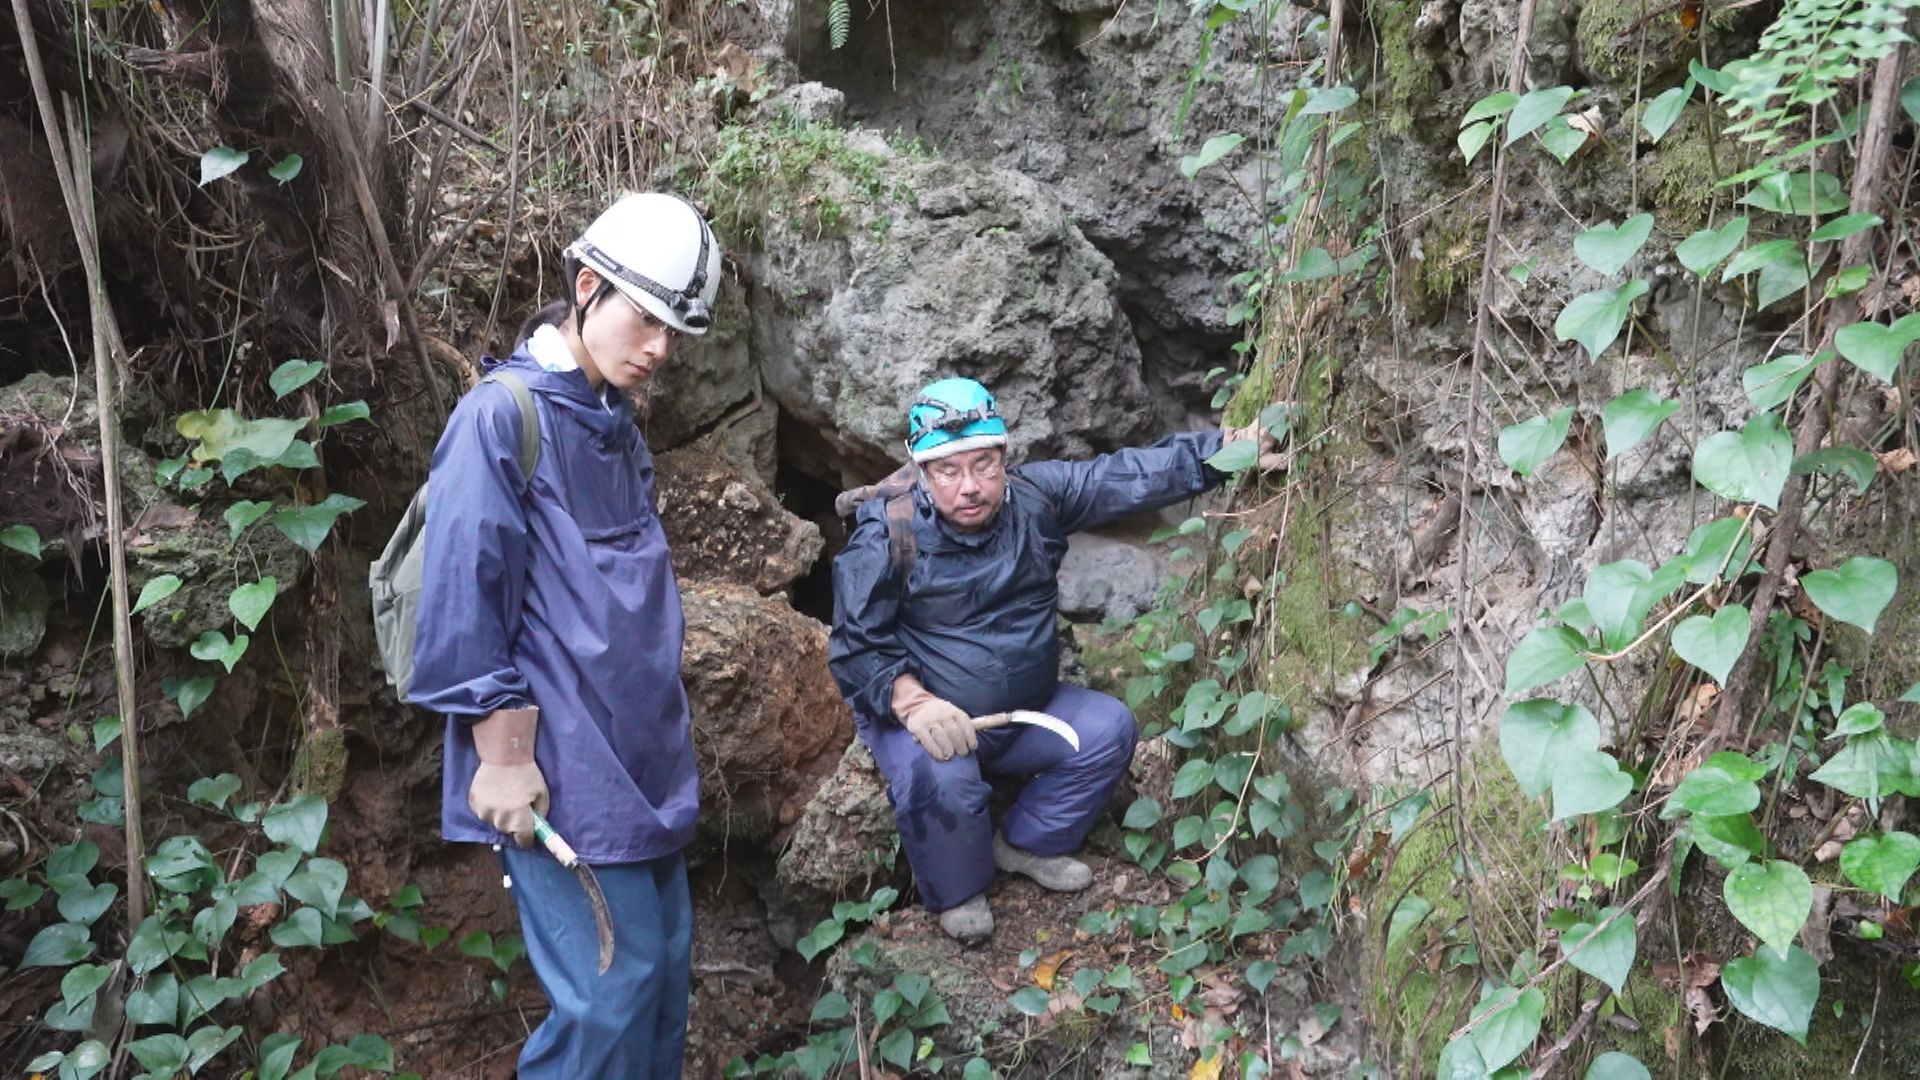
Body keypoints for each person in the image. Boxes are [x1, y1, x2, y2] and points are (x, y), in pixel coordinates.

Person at [408, 192, 720, 1077]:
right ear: (587, 286)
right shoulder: (502, 417)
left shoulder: (614, 421)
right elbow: (464, 593)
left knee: (657, 990)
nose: (660, 348)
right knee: (607, 1001)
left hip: (647, 755)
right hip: (564, 767)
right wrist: (501, 753)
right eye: (648, 318)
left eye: (676, 330)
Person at [827, 377, 1270, 942]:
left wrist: (1231, 448)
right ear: (920, 469)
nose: (970, 487)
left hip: (1026, 711)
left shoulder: (1035, 500)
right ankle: (957, 888)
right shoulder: (889, 532)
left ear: (1004, 457)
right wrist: (911, 702)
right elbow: (855, 642)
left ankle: (1025, 843)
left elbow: (1124, 475)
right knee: (941, 779)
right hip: (930, 714)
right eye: (948, 471)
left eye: (983, 465)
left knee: (1107, 730)